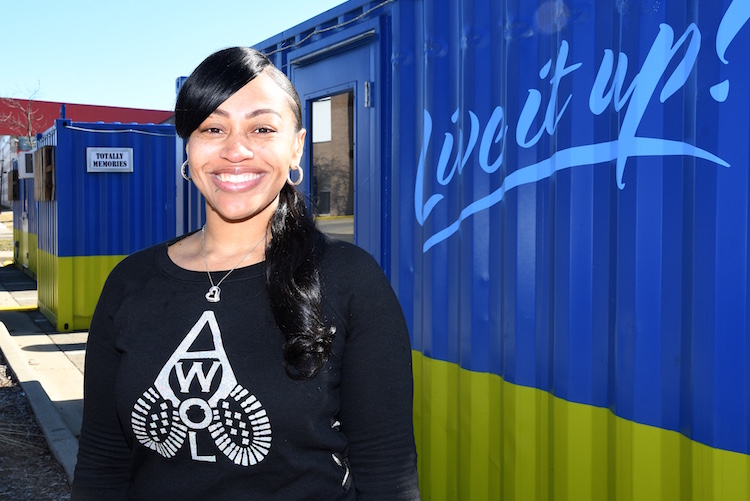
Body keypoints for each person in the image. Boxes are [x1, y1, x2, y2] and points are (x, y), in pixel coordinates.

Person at [71, 46, 420, 500]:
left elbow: (387, 470)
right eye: (213, 128)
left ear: (296, 146)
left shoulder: (350, 279)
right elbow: (102, 460)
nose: (235, 150)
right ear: (189, 147)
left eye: (262, 128)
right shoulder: (130, 283)